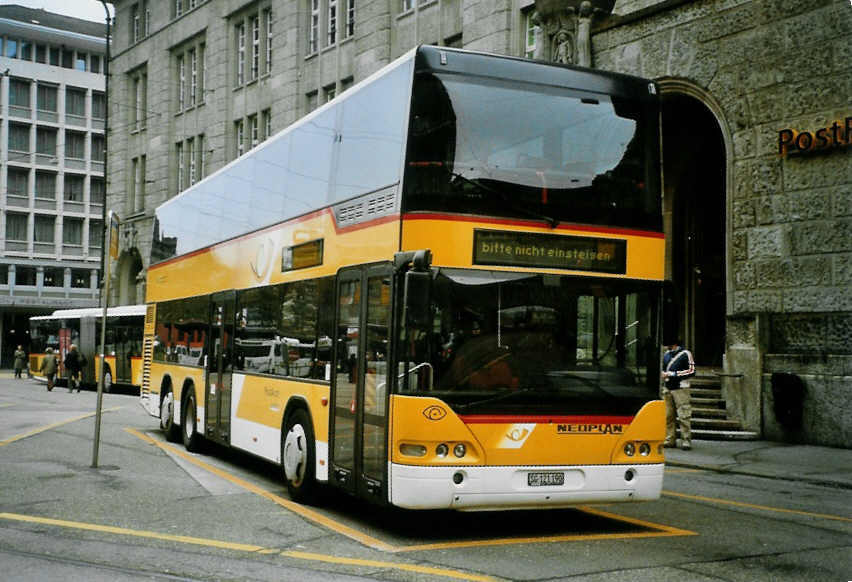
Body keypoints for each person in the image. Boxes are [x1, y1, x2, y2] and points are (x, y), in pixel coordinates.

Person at [661, 339, 695, 450]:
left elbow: (692, 370)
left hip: (681, 388)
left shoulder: (686, 354)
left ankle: (686, 440)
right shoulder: (666, 354)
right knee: (668, 416)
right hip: (668, 388)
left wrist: (673, 374)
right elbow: (663, 368)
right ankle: (670, 439)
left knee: (683, 415)